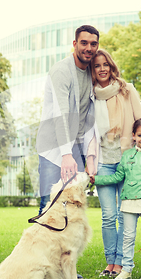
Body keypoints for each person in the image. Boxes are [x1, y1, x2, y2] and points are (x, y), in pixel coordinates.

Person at [90, 49, 141, 277]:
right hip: (103, 160)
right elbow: (87, 131)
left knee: (125, 214)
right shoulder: (91, 95)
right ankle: (110, 262)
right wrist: (89, 161)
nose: (102, 68)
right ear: (92, 71)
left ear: (112, 66)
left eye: (105, 64)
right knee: (108, 216)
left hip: (126, 160)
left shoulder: (127, 89)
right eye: (97, 66)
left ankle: (122, 263)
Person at [90, 118, 141, 279]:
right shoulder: (126, 156)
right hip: (129, 203)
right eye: (140, 135)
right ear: (133, 136)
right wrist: (96, 180)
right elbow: (118, 177)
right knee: (128, 237)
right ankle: (126, 269)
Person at [36, 25, 100, 215]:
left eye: (93, 44)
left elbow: (90, 115)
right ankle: (41, 244)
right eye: (84, 43)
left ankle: (66, 245)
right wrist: (66, 155)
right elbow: (61, 114)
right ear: (74, 44)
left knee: (73, 203)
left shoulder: (92, 72)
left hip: (77, 147)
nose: (89, 48)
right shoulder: (61, 71)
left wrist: (90, 156)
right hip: (53, 147)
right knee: (50, 203)